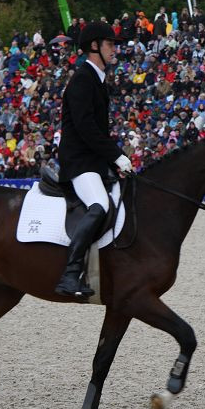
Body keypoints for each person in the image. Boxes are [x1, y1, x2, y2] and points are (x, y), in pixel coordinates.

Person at [55, 21, 133, 297]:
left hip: (93, 161)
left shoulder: (98, 82)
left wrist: (114, 162)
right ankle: (70, 274)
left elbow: (97, 132)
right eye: (110, 44)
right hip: (79, 162)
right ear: (93, 46)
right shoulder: (82, 80)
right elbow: (86, 128)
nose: (115, 49)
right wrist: (118, 156)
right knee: (99, 204)